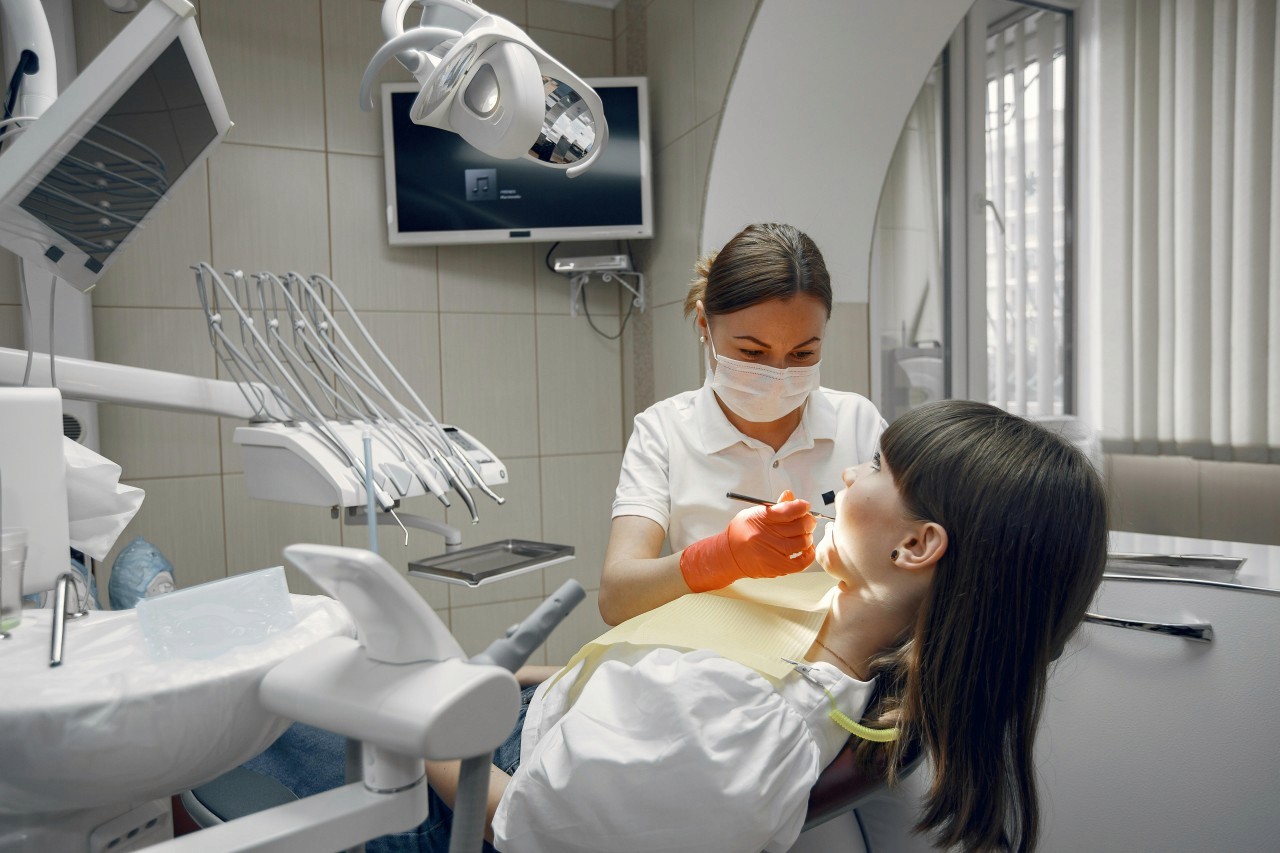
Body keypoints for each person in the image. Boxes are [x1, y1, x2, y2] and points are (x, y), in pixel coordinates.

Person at [416, 399, 1109, 853]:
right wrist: (506, 680)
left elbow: (522, 827)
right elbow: (646, 652)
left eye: (875, 467)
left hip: (457, 793)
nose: (848, 471)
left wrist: (418, 718)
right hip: (511, 721)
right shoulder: (833, 609)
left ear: (915, 546)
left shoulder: (741, 720)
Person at [601, 222, 886, 625]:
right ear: (704, 325)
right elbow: (616, 598)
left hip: (836, 666)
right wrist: (719, 557)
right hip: (716, 665)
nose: (779, 374)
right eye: (753, 352)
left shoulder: (859, 423)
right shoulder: (663, 431)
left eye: (803, 354)